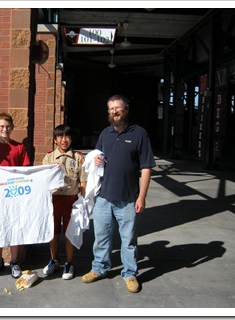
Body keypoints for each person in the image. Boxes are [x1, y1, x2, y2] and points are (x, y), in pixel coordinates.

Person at [81, 94, 156, 293]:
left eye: (118, 108)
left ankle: (130, 273)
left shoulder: (139, 134)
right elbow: (95, 156)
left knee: (128, 240)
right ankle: (99, 268)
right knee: (101, 237)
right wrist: (96, 160)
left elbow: (147, 167)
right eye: (111, 109)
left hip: (128, 199)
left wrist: (142, 197)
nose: (115, 111)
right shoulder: (105, 133)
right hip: (103, 198)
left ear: (126, 110)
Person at [0, 112, 31, 279]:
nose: (5, 129)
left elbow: (26, 172)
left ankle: (14, 261)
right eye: (1, 126)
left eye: (7, 126)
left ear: (12, 128)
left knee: (15, 225)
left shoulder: (19, 148)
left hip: (14, 194)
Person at [42, 124, 87, 280]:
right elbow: (43, 180)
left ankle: (69, 263)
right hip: (53, 200)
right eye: (60, 137)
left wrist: (83, 201)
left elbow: (83, 181)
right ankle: (53, 260)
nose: (63, 140)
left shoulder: (78, 157)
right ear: (55, 140)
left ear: (71, 139)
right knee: (53, 232)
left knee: (70, 233)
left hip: (71, 200)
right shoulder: (48, 158)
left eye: (67, 136)